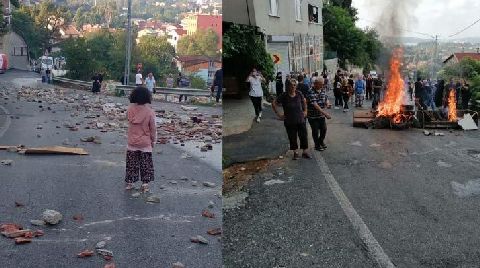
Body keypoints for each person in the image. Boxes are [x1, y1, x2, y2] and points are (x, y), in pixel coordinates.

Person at [125, 86, 157, 193]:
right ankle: (145, 184)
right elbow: (153, 129)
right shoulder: (150, 112)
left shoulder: (130, 110)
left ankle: (130, 183)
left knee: (131, 163)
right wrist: (153, 141)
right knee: (145, 164)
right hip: (145, 142)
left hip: (132, 141)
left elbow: (130, 122)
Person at [272, 79, 311, 160]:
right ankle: (295, 153)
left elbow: (304, 101)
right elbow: (274, 103)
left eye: (294, 85)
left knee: (303, 136)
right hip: (289, 121)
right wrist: (279, 114)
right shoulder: (284, 95)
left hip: (300, 119)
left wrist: (305, 111)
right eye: (291, 85)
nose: (293, 86)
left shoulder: (299, 93)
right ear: (288, 86)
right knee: (292, 137)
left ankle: (304, 152)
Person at [306, 78, 332, 151]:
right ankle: (317, 145)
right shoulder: (310, 91)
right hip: (312, 116)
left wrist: (327, 103)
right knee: (315, 131)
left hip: (321, 115)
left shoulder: (322, 89)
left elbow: (326, 98)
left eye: (323, 84)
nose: (322, 85)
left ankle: (320, 141)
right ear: (315, 84)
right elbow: (315, 105)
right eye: (321, 84)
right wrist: (326, 114)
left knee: (324, 129)